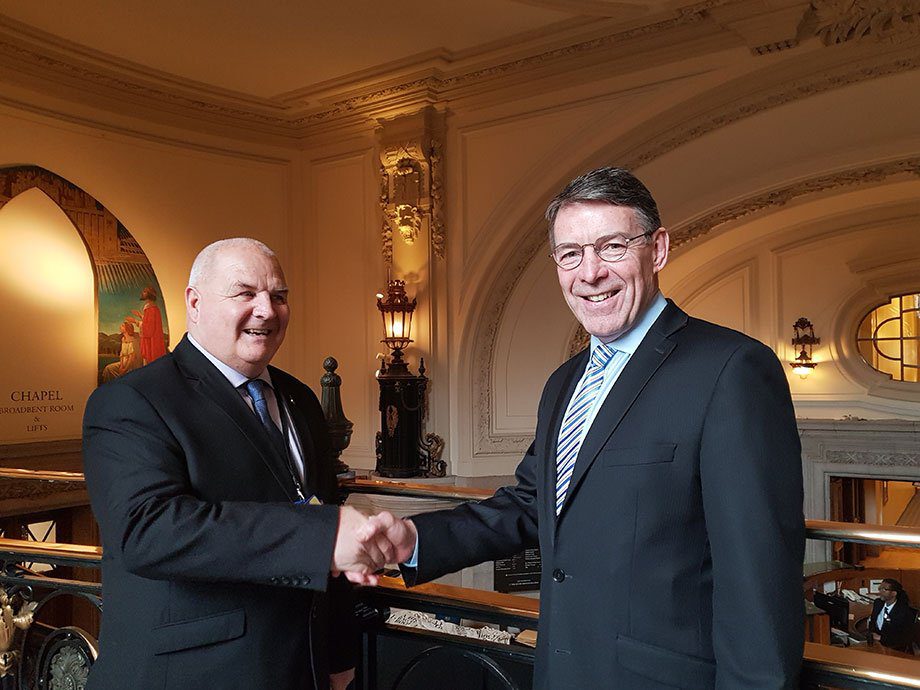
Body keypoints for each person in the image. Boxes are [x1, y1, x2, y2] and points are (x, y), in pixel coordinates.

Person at [368, 167, 806, 689]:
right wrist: (414, 539)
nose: (590, 273)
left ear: (658, 249)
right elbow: (530, 503)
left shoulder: (732, 369)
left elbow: (759, 583)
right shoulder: (564, 382)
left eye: (612, 247)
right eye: (570, 254)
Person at [83, 238, 396, 690]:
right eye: (245, 293)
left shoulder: (301, 398)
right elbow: (148, 531)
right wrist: (321, 536)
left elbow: (321, 508)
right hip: (191, 677)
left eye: (279, 296)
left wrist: (339, 653)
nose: (267, 310)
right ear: (195, 303)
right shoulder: (131, 400)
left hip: (303, 670)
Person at [869, 578, 916, 652]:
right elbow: (873, 622)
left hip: (895, 648)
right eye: (880, 588)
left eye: (884, 589)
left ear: (894, 593)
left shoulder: (904, 612)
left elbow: (905, 638)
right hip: (876, 645)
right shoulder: (878, 603)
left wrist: (881, 638)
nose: (880, 592)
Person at [133, 285, 167, 364]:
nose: (142, 293)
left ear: (150, 294)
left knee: (150, 363)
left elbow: (148, 329)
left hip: (151, 343)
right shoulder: (152, 308)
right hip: (153, 340)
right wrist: (140, 316)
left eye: (145, 292)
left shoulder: (151, 309)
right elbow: (148, 322)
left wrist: (135, 321)